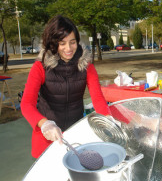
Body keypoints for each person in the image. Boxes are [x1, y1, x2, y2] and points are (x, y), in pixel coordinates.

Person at [21, 15, 111, 158]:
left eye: (72, 42)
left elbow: (98, 99)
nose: (68, 48)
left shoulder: (87, 66)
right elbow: (26, 104)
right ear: (53, 43)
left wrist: (110, 120)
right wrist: (45, 124)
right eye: (62, 43)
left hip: (74, 135)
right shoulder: (40, 67)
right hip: (47, 137)